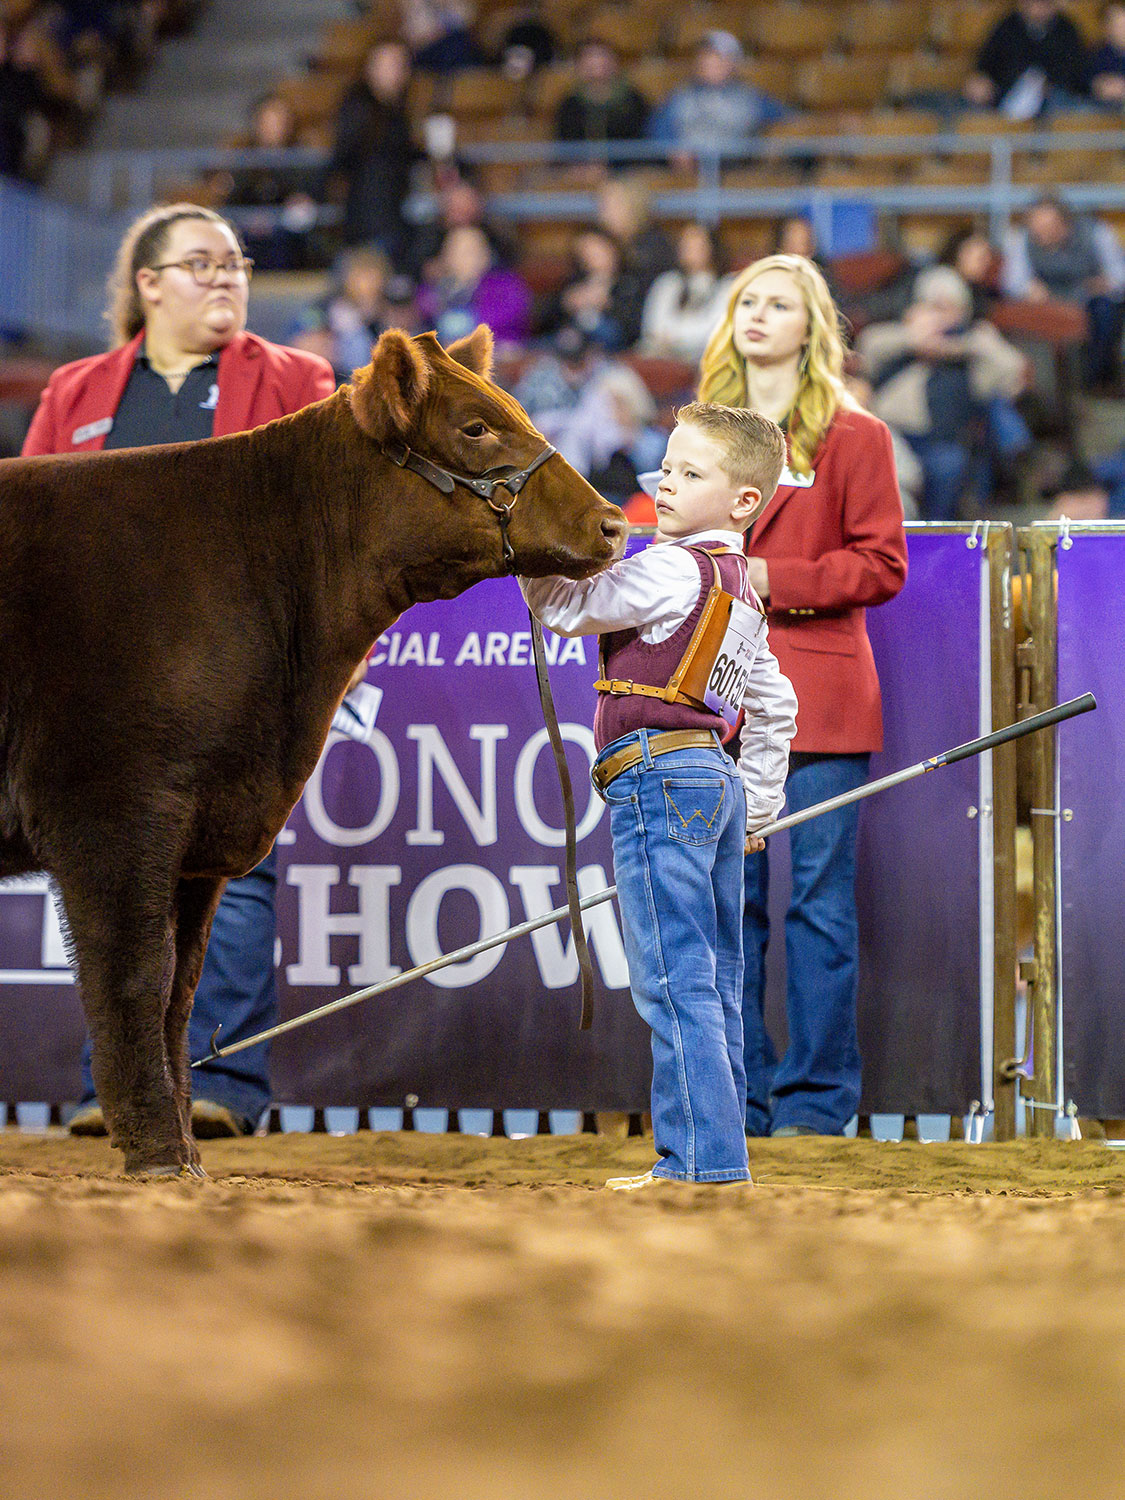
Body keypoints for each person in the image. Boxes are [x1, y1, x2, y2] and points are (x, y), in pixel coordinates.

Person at [21, 202, 336, 1138]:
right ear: (148, 285)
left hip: (240, 680)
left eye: (236, 263)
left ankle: (223, 1085)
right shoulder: (77, 392)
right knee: (108, 884)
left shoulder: (297, 379)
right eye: (201, 264)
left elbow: (329, 528)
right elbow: (31, 536)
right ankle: (120, 1090)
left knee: (234, 876)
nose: (227, 277)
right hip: (97, 692)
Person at [521, 402, 798, 1187]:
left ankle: (699, 1167)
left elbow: (567, 607)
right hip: (710, 778)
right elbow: (774, 705)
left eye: (690, 473)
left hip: (655, 774)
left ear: (744, 499)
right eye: (667, 468)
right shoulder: (738, 588)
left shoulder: (674, 567)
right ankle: (713, 1156)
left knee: (673, 979)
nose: (667, 485)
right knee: (711, 979)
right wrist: (757, 803)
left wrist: (525, 548)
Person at [698, 253, 908, 1137]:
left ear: (810, 328)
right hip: (709, 699)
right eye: (748, 299)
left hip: (818, 700)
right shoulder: (698, 432)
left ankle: (815, 1108)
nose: (757, 314)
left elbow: (880, 564)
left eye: (778, 303)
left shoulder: (854, 435)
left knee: (816, 906)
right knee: (727, 909)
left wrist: (763, 574)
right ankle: (734, 1101)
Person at [859, 266, 1029, 520]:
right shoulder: (897, 343)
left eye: (949, 308)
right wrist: (914, 338)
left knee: (949, 463)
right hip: (891, 437)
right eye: (934, 306)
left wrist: (963, 345)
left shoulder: (970, 355)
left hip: (940, 442)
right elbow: (868, 345)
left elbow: (1013, 369)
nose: (941, 316)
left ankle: (935, 534)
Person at [1001, 195, 1125, 389]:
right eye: (1036, 227)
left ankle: (1097, 381)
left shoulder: (1096, 233)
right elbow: (1012, 282)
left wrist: (1106, 283)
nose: (1040, 233)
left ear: (1064, 223)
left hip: (1090, 299)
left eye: (1047, 227)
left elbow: (1119, 276)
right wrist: (1029, 289)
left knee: (1105, 312)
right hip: (1049, 303)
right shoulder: (1022, 239)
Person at [323, 39, 418, 265]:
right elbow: (341, 161)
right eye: (389, 64)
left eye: (400, 65)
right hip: (371, 224)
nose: (395, 72)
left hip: (390, 221)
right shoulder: (359, 111)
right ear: (370, 69)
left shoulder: (399, 114)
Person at [647, 31, 788, 169]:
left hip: (735, 167)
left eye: (718, 57)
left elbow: (785, 120)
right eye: (705, 56)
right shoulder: (681, 96)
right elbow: (658, 127)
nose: (710, 62)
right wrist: (674, 149)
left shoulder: (750, 97)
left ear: (733, 63)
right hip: (691, 169)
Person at [963, 0, 1090, 118]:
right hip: (1005, 96)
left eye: (1043, 4)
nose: (1037, 9)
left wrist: (1050, 86)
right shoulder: (1006, 26)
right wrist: (981, 79)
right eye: (1032, 3)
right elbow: (986, 63)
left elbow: (1077, 72)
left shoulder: (1067, 29)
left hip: (1053, 101)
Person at [415, 224, 531, 349]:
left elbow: (507, 318)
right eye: (459, 250)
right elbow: (417, 316)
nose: (469, 258)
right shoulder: (434, 287)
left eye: (473, 250)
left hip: (498, 356)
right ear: (446, 256)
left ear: (487, 255)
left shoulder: (507, 286)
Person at [535, 226, 645, 351]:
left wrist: (608, 305)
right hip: (571, 342)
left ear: (613, 249)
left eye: (598, 250)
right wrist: (566, 303)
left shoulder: (631, 283)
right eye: (587, 252)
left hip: (612, 347)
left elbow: (637, 327)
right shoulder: (574, 283)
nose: (593, 257)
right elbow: (543, 321)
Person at [639, 222, 734, 363]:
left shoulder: (727, 286)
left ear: (712, 247)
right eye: (686, 245)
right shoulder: (667, 282)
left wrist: (675, 339)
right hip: (661, 359)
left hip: (705, 361)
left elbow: (714, 332)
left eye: (697, 246)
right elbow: (652, 328)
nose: (690, 251)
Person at [554, 38, 650, 147]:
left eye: (603, 59)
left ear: (615, 64)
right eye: (589, 62)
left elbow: (642, 144)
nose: (597, 68)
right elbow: (564, 147)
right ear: (579, 67)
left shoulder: (632, 101)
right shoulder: (570, 105)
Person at [1089, 1, 1125, 107]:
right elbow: (1083, 82)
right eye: (1116, 25)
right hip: (1103, 110)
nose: (1121, 31)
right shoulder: (1098, 53)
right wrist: (1097, 85)